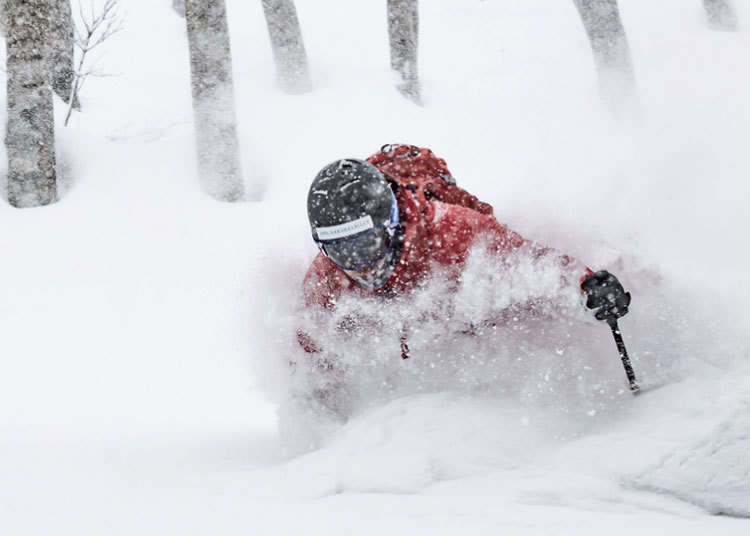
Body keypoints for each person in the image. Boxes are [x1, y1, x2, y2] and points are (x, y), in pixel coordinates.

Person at [299, 144, 630, 360]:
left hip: (474, 323)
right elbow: (312, 354)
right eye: (339, 251)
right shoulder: (324, 280)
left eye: (366, 244)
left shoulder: (454, 231)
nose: (360, 265)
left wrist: (585, 287)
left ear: (392, 223)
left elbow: (529, 263)